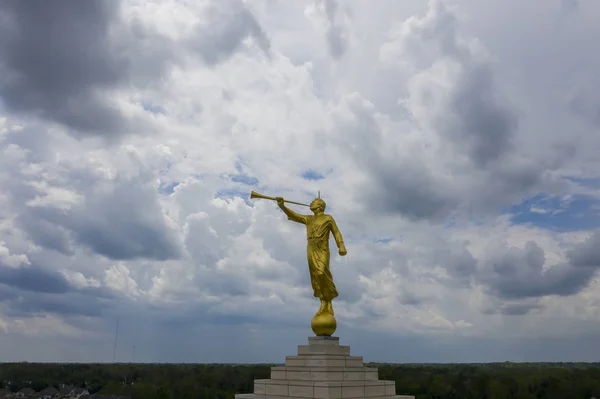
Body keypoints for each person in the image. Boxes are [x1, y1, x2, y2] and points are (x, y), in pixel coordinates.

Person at [276, 196, 347, 316]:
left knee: (322, 272)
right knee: (315, 276)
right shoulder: (309, 219)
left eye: (313, 202)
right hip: (311, 248)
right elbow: (295, 215)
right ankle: (323, 302)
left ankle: (329, 299)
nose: (310, 203)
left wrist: (341, 245)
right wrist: (282, 206)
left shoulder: (328, 218)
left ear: (320, 206)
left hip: (322, 248)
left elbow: (336, 232)